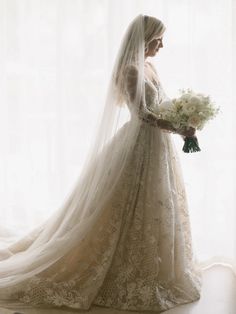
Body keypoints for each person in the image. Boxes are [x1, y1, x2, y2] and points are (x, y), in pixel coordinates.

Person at [0, 14, 202, 313]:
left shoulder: (149, 66)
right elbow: (143, 115)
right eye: (158, 39)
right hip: (139, 145)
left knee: (157, 204)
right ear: (145, 39)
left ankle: (155, 266)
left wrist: (185, 117)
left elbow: (161, 104)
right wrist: (178, 126)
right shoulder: (131, 70)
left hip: (159, 146)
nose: (162, 45)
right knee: (122, 205)